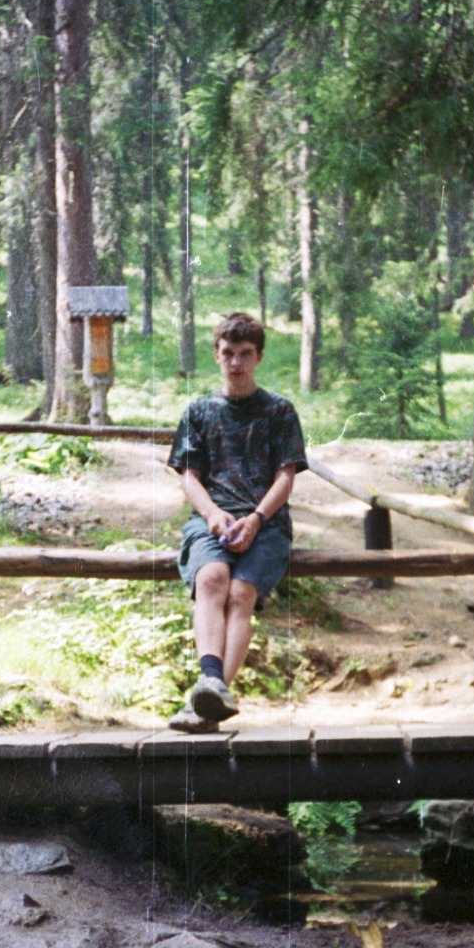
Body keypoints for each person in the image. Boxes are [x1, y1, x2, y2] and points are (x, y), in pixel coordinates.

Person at [166, 312, 308, 732]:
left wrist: (257, 519)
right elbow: (188, 476)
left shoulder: (279, 411)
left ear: (259, 357)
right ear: (216, 355)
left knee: (241, 592)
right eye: (228, 353)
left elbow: (287, 476)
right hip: (212, 520)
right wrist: (212, 515)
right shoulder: (200, 410)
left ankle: (208, 698)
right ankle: (213, 684)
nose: (236, 363)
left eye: (246, 354)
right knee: (211, 580)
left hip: (267, 523)